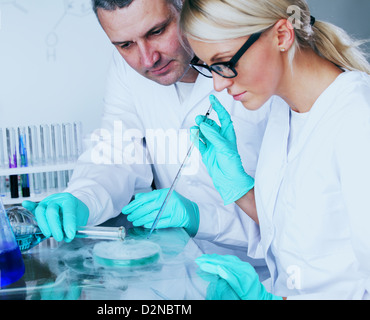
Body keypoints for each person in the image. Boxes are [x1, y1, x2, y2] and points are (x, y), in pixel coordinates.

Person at [22, 0, 277, 259]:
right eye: (125, 45)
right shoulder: (127, 70)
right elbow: (115, 153)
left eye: (156, 32)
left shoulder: (257, 60)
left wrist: (202, 218)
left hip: (265, 273)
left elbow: (298, 218)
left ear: (187, 9)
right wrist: (81, 199)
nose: (148, 59)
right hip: (181, 266)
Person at [181, 0, 370, 299]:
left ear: (282, 35)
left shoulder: (358, 119)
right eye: (208, 67)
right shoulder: (283, 110)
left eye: (225, 63)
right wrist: (240, 188)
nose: (217, 84)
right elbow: (309, 233)